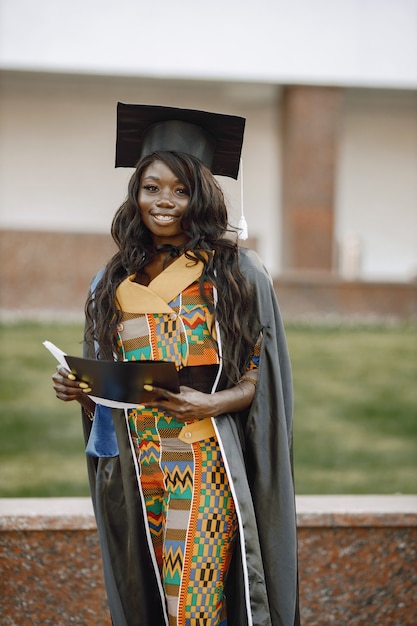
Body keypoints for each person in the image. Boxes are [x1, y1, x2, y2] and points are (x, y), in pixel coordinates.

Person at [52, 103, 300, 626]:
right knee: (150, 595)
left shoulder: (236, 272)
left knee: (194, 597)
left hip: (202, 452)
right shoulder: (114, 278)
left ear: (202, 196)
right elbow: (105, 367)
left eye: (180, 190)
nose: (164, 201)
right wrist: (81, 386)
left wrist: (214, 401)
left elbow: (261, 374)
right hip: (136, 460)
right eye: (151, 187)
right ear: (136, 194)